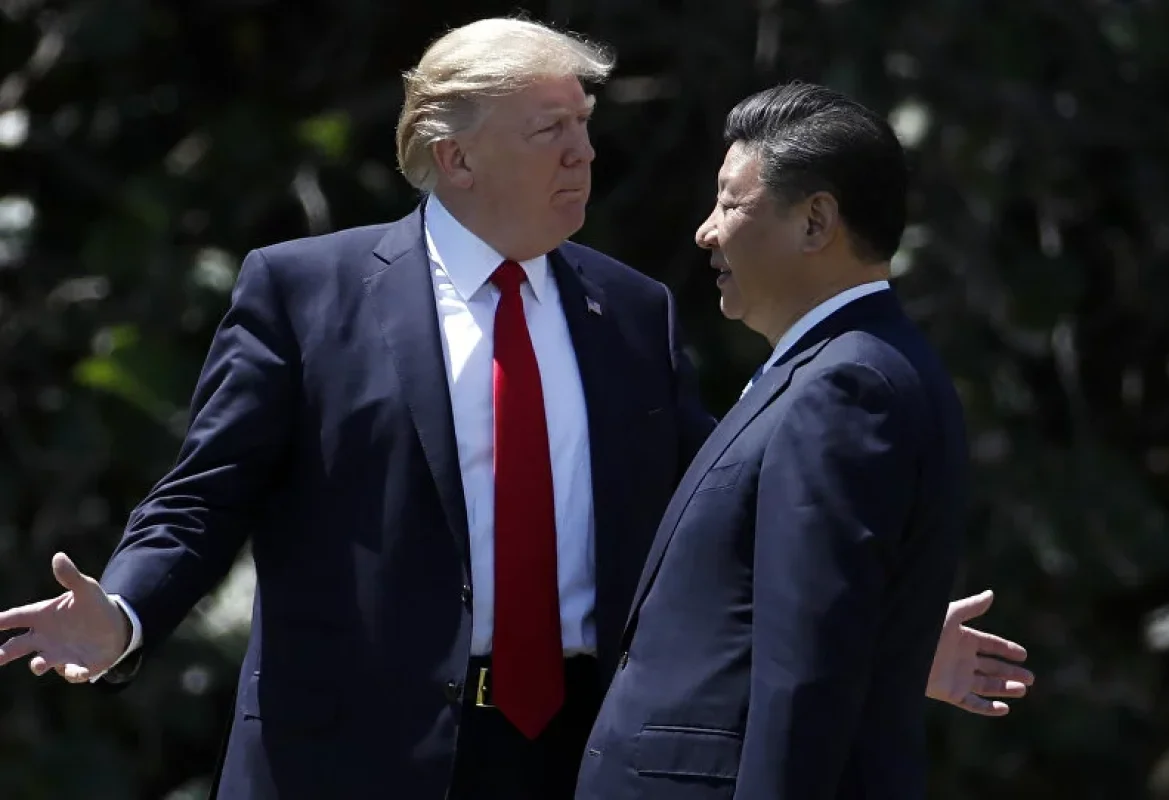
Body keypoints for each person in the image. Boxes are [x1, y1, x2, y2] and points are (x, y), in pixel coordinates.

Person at [0, 20, 1030, 800]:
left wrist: (883, 630)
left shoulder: (633, 310)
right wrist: (123, 612)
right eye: (552, 131)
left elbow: (720, 516)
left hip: (574, 753)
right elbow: (203, 497)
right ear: (455, 157)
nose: (585, 154)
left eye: (585, 127)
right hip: (349, 758)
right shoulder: (305, 293)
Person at [576, 82, 987, 800]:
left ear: (815, 221)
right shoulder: (838, 368)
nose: (707, 231)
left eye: (730, 204)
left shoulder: (845, 386)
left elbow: (807, 674)